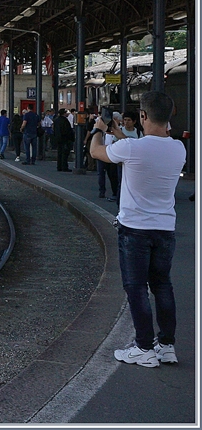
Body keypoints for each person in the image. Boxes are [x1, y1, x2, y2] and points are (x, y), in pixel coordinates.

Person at [89, 91, 185, 367]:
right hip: (165, 229)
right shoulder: (178, 148)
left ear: (142, 116)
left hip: (135, 231)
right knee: (162, 285)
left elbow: (98, 152)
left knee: (136, 288)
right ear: (168, 117)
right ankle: (166, 346)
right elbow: (142, 150)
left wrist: (99, 129)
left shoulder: (132, 149)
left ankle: (143, 347)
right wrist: (120, 134)